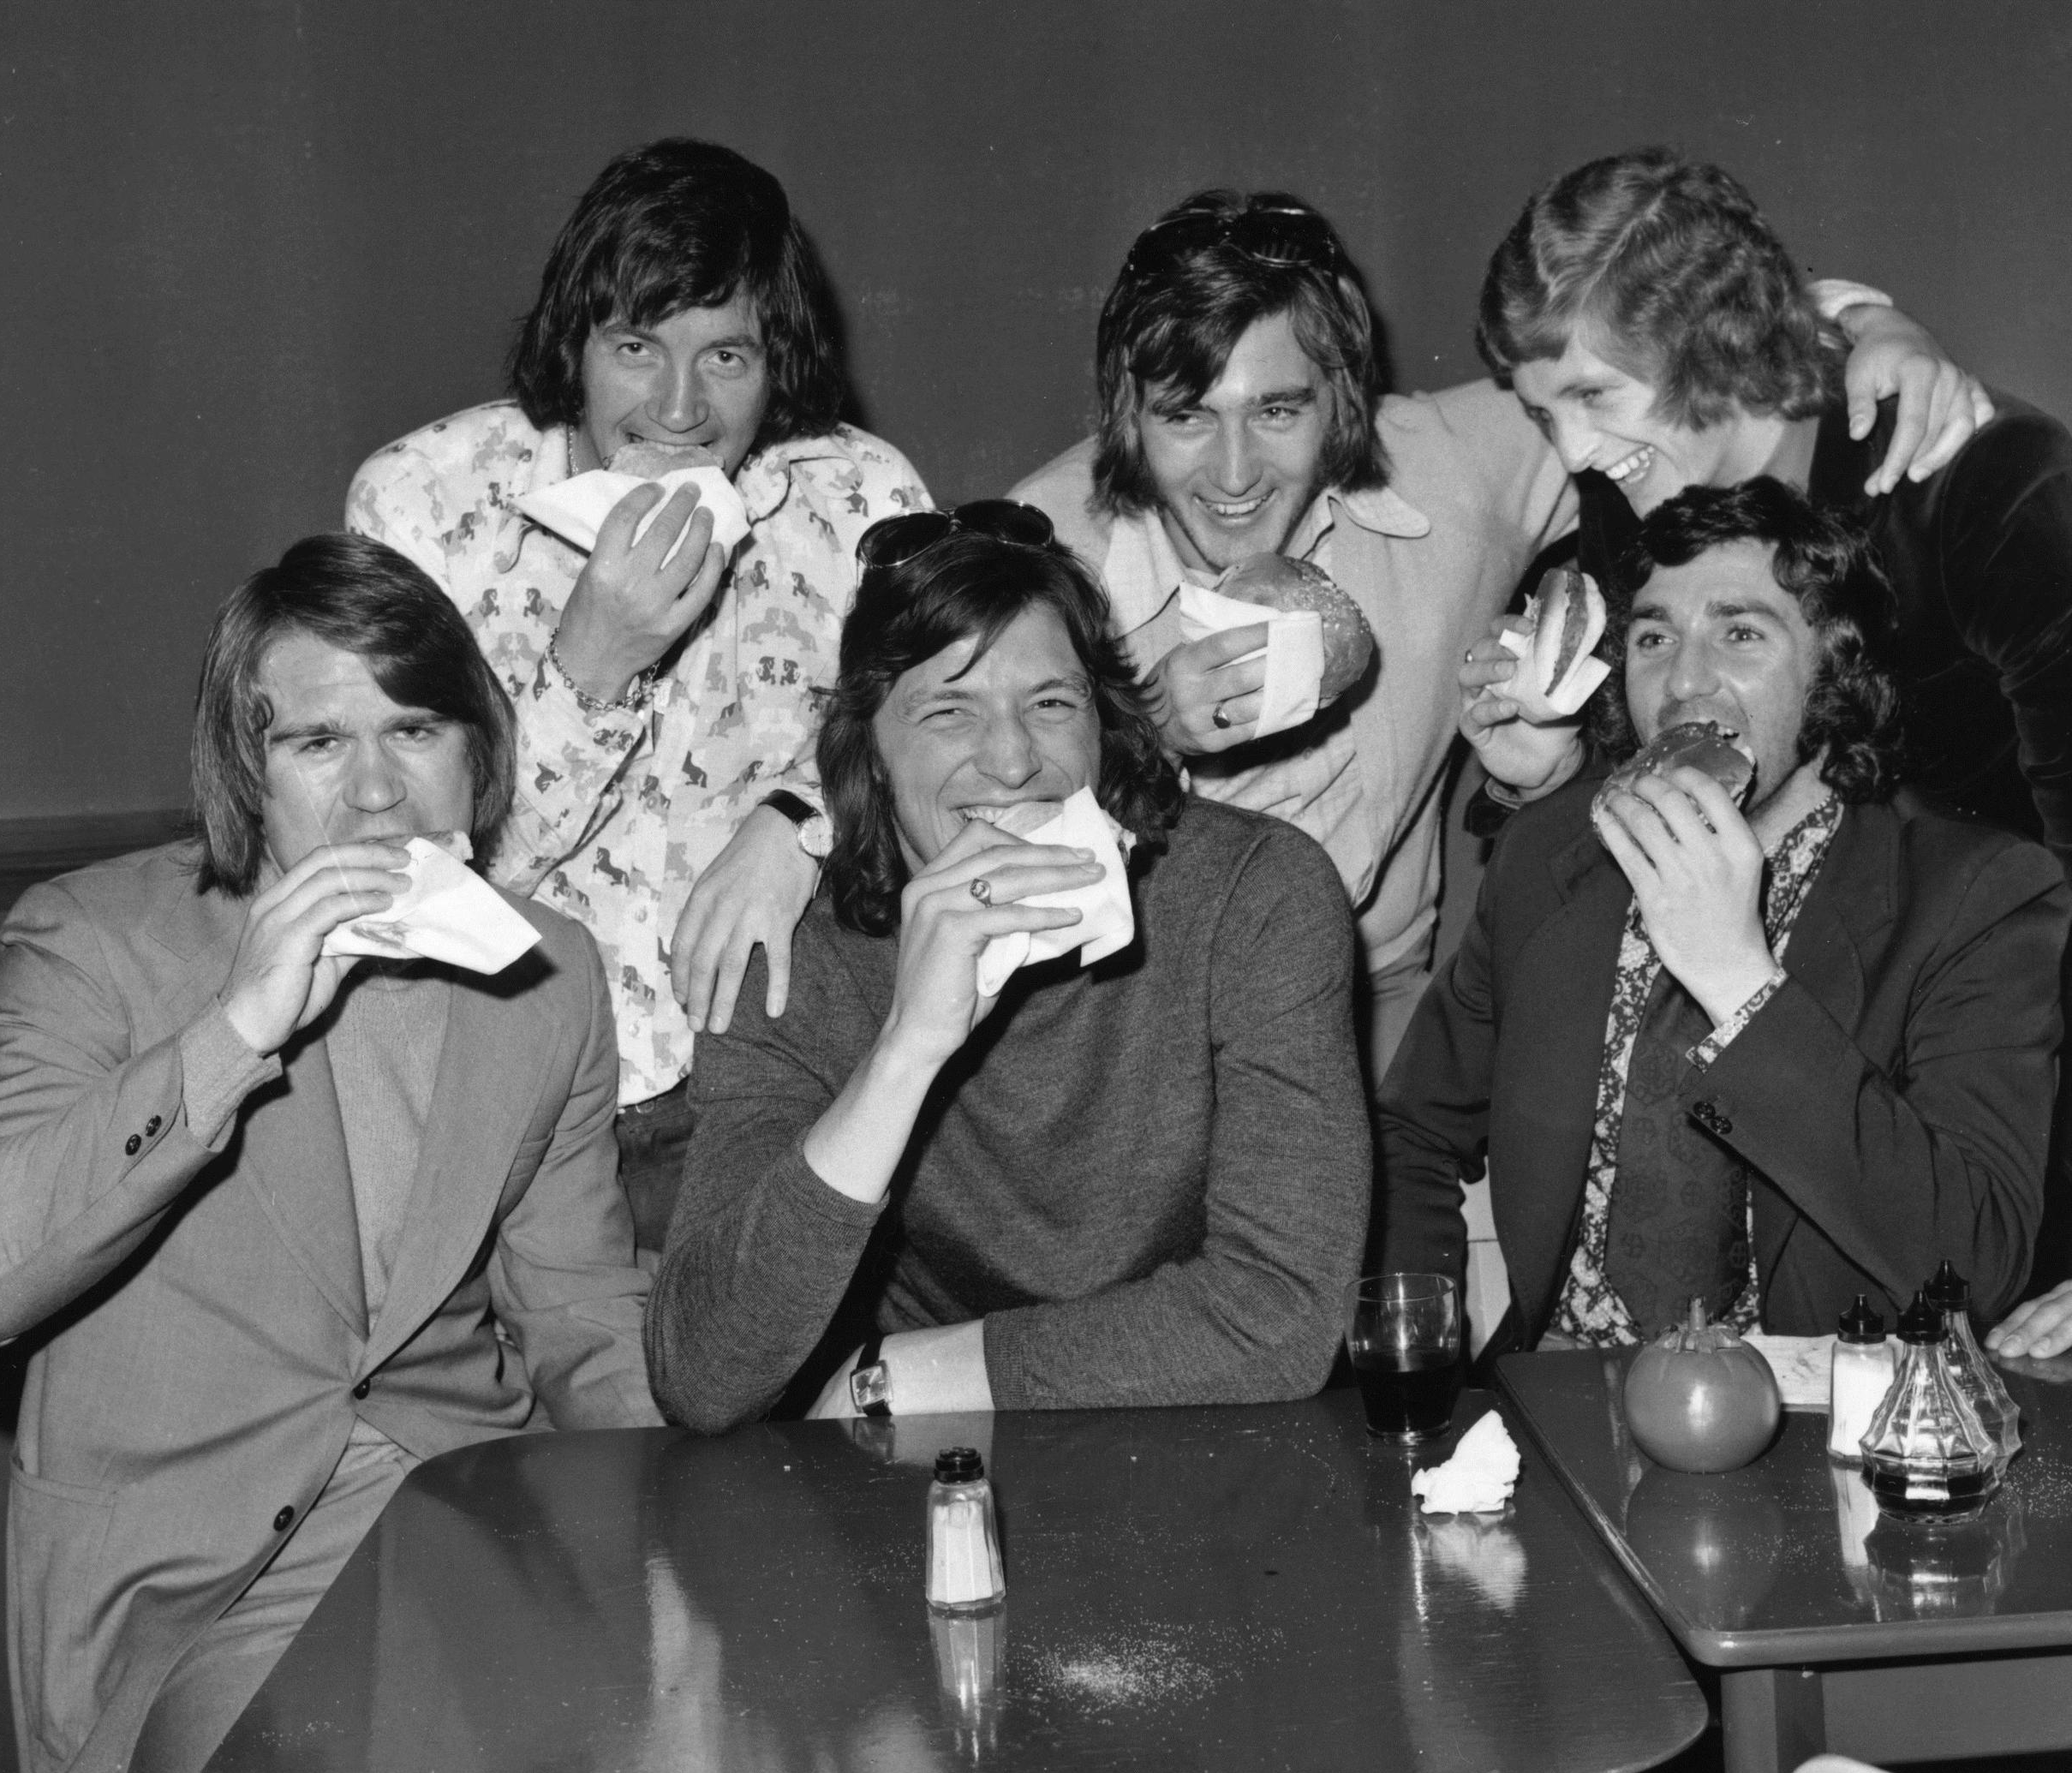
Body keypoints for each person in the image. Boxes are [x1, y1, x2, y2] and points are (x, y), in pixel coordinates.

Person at [0, 535, 656, 1773]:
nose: (377, 794)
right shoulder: (97, 939)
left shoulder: (553, 971)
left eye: (415, 729)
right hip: (196, 1579)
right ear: (246, 771)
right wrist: (239, 1027)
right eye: (317, 743)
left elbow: (581, 1313)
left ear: (476, 751)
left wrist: (698, 1540)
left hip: (471, 1520)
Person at [1012, 187, 1988, 1078]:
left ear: (1342, 399)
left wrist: (1871, 326)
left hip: (1372, 1013)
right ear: (1125, 417)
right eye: (1185, 416)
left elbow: (1675, 334)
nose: (1234, 473)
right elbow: (949, 870)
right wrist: (1141, 735)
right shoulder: (1032, 557)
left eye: (1277, 409)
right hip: (1121, 1023)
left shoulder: (1448, 468)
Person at [645, 504, 1367, 1431]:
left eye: (1051, 704)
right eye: (949, 710)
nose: (1014, 759)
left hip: (1201, 1449)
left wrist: (903, 1379)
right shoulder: (791, 950)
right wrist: (906, 1050)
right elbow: (702, 1376)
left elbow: (1280, 1317)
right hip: (924, 1489)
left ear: (1104, 723)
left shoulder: (1253, 894)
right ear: (866, 746)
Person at [348, 138, 929, 1250]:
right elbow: (417, 879)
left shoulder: (862, 493)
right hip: (516, 1104)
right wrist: (589, 668)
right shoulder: (423, 505)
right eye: (636, 347)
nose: (678, 405)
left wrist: (799, 820)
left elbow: (942, 748)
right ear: (575, 342)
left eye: (727, 357)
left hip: (784, 1096)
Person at [1376, 481, 2068, 1350]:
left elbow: (1971, 1260)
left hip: (1813, 1428)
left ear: (1835, 665)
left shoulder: (1976, 894)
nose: (1683, 679)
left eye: (1739, 633)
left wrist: (1740, 985)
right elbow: (1410, 1127)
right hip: (1552, 1396)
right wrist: (1418, 1340)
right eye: (1653, 637)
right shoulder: (1551, 852)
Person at [1466, 147, 2072, 871]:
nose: (1572, 455)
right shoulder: (1626, 501)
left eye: (1594, 395)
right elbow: (1649, 807)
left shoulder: (1983, 481)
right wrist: (1544, 776)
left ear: (1719, 346)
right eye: (1543, 413)